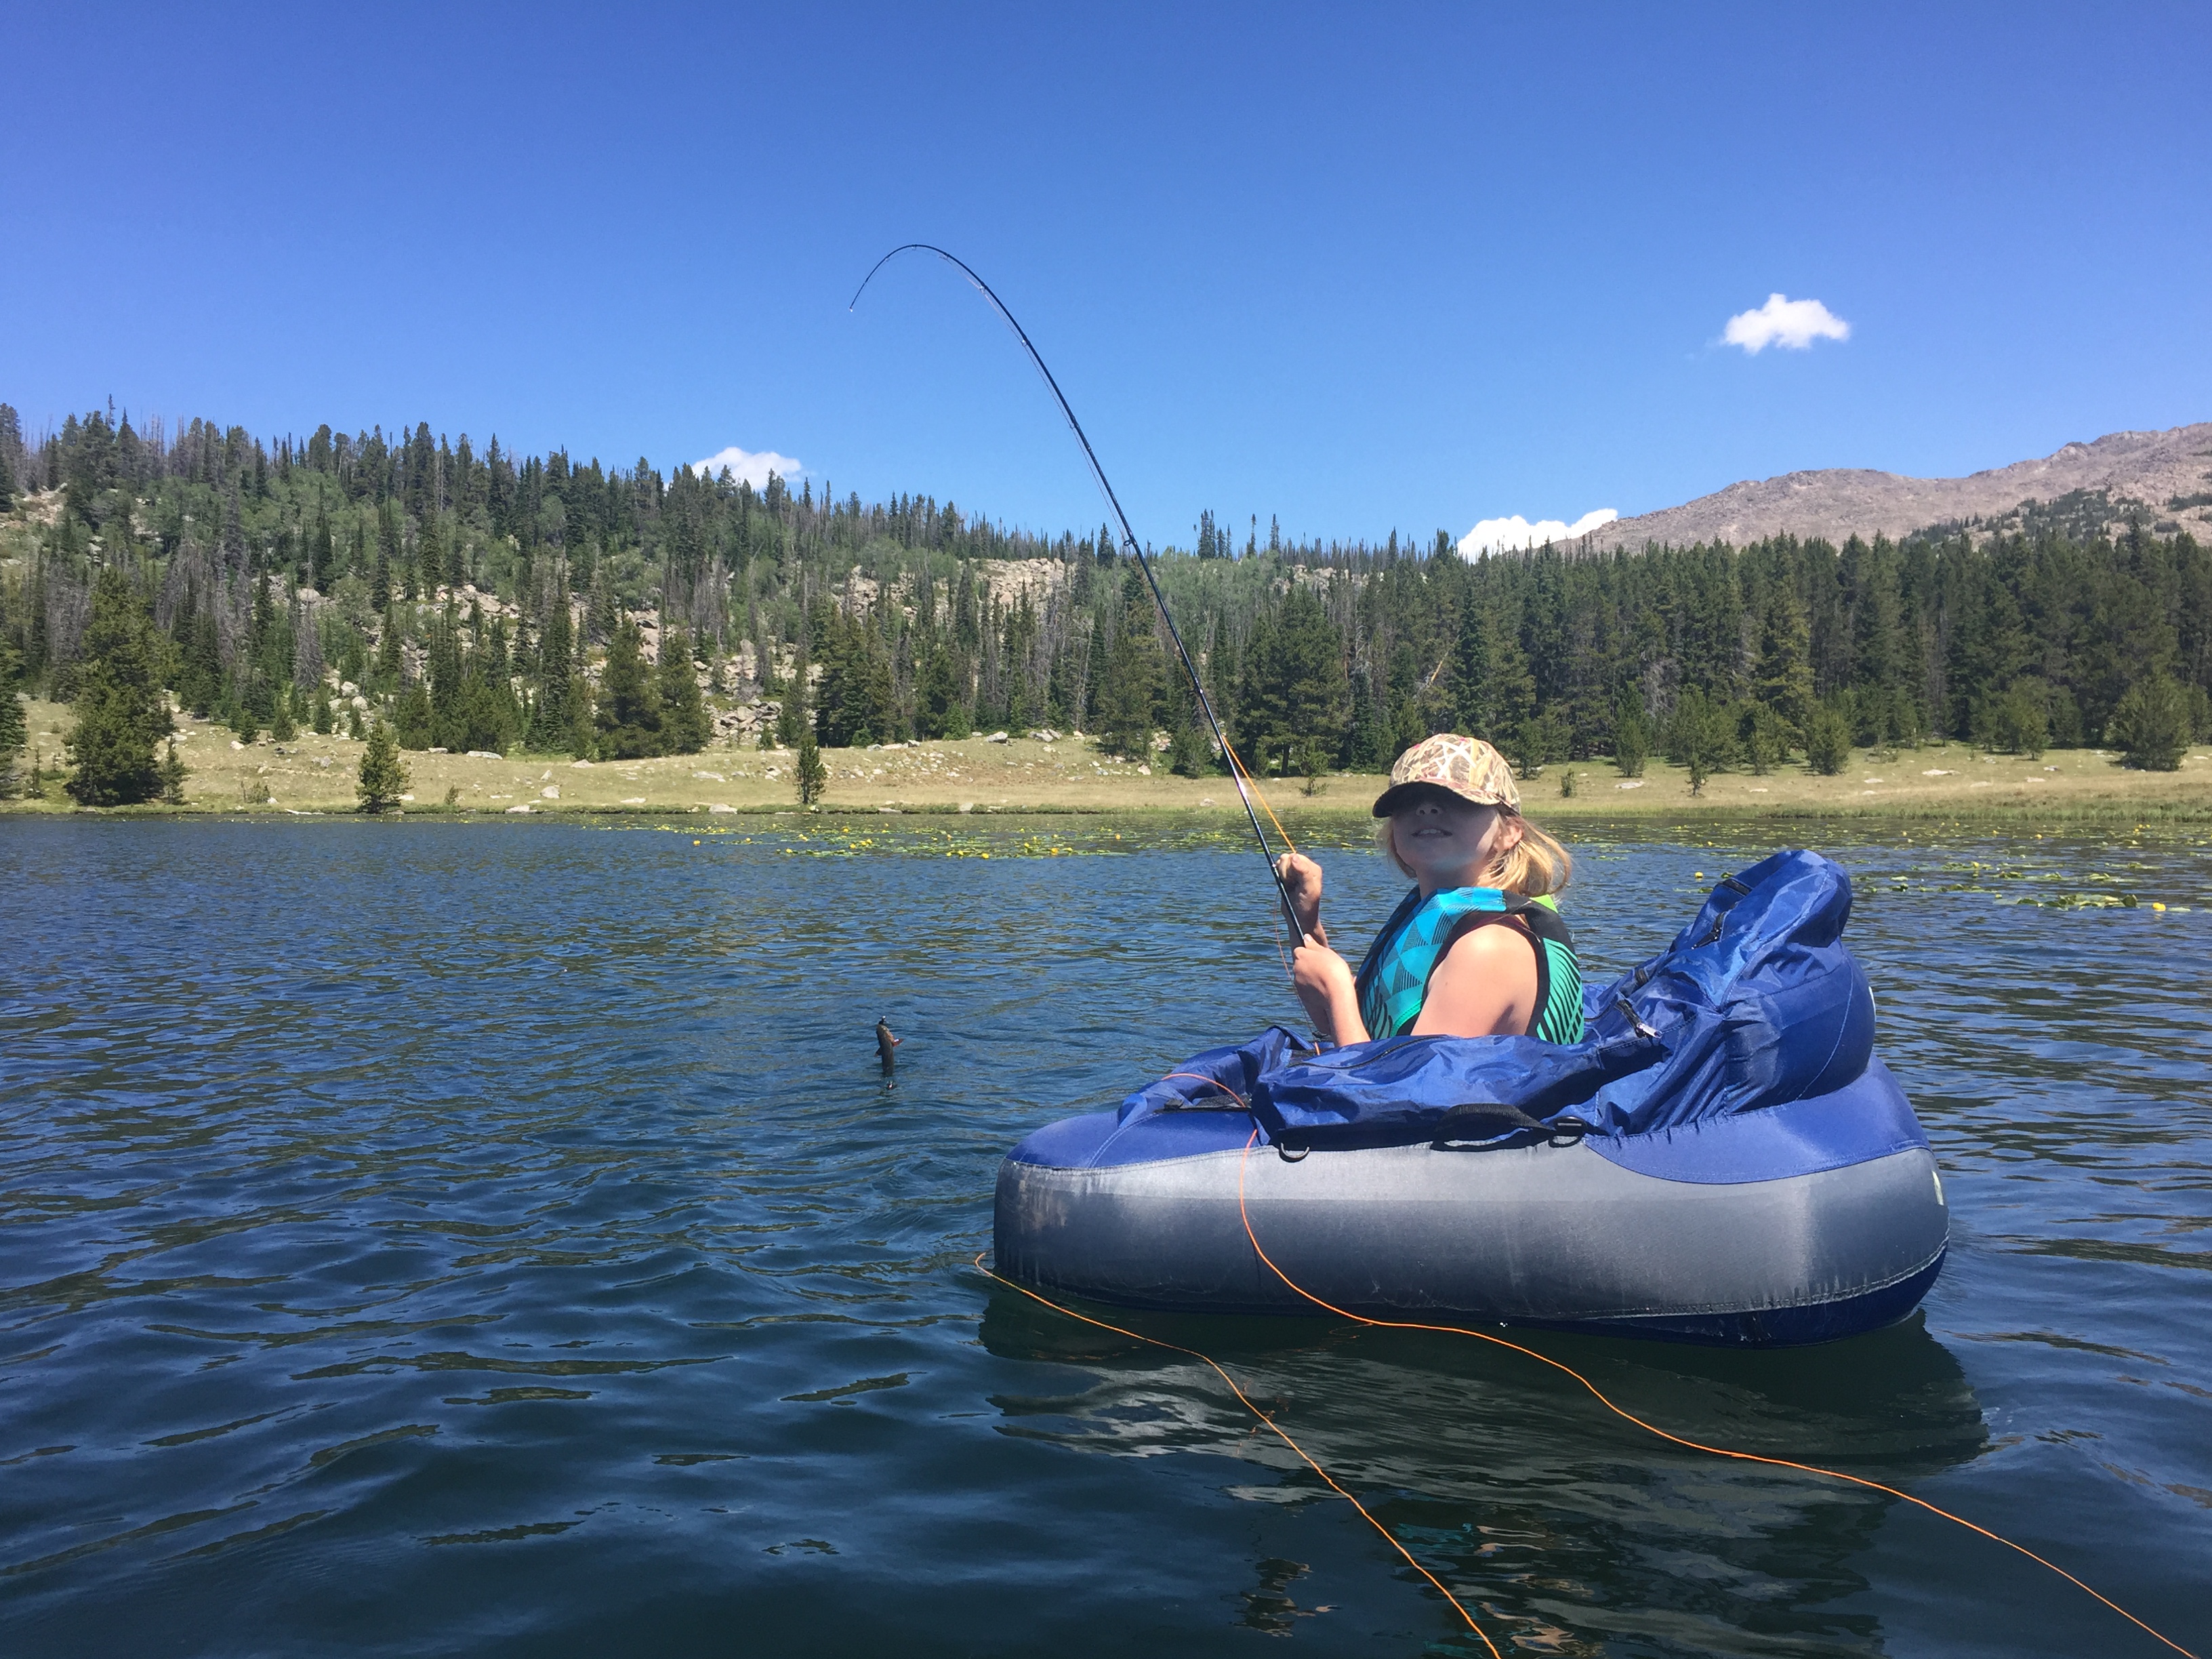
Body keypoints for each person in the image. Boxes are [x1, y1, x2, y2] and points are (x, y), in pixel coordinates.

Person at [1276, 733, 1584, 1046]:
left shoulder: (1489, 946)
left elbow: (1401, 1092)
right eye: (1409, 801)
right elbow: (1354, 1025)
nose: (1426, 809)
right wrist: (1304, 923)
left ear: (1509, 832)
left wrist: (1336, 989)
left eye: (1458, 798)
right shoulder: (1432, 914)